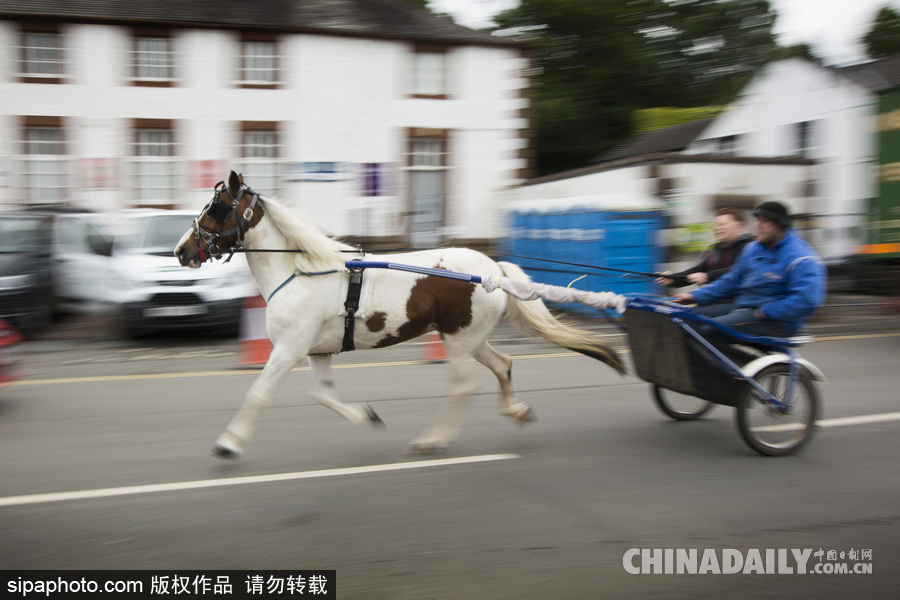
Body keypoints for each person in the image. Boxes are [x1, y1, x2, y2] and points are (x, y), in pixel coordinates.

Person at [672, 201, 826, 338]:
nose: (757, 226)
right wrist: (693, 296)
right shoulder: (753, 249)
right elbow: (731, 280)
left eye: (764, 221)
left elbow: (807, 301)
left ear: (780, 225)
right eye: (757, 220)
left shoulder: (800, 258)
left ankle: (721, 370)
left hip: (775, 320)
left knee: (705, 331)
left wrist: (766, 312)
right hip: (742, 307)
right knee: (683, 319)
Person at [656, 207, 754, 288]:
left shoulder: (750, 247)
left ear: (740, 226)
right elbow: (699, 270)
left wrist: (707, 276)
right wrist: (673, 278)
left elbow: (736, 270)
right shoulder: (714, 249)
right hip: (715, 297)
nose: (718, 228)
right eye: (717, 225)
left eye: (724, 224)